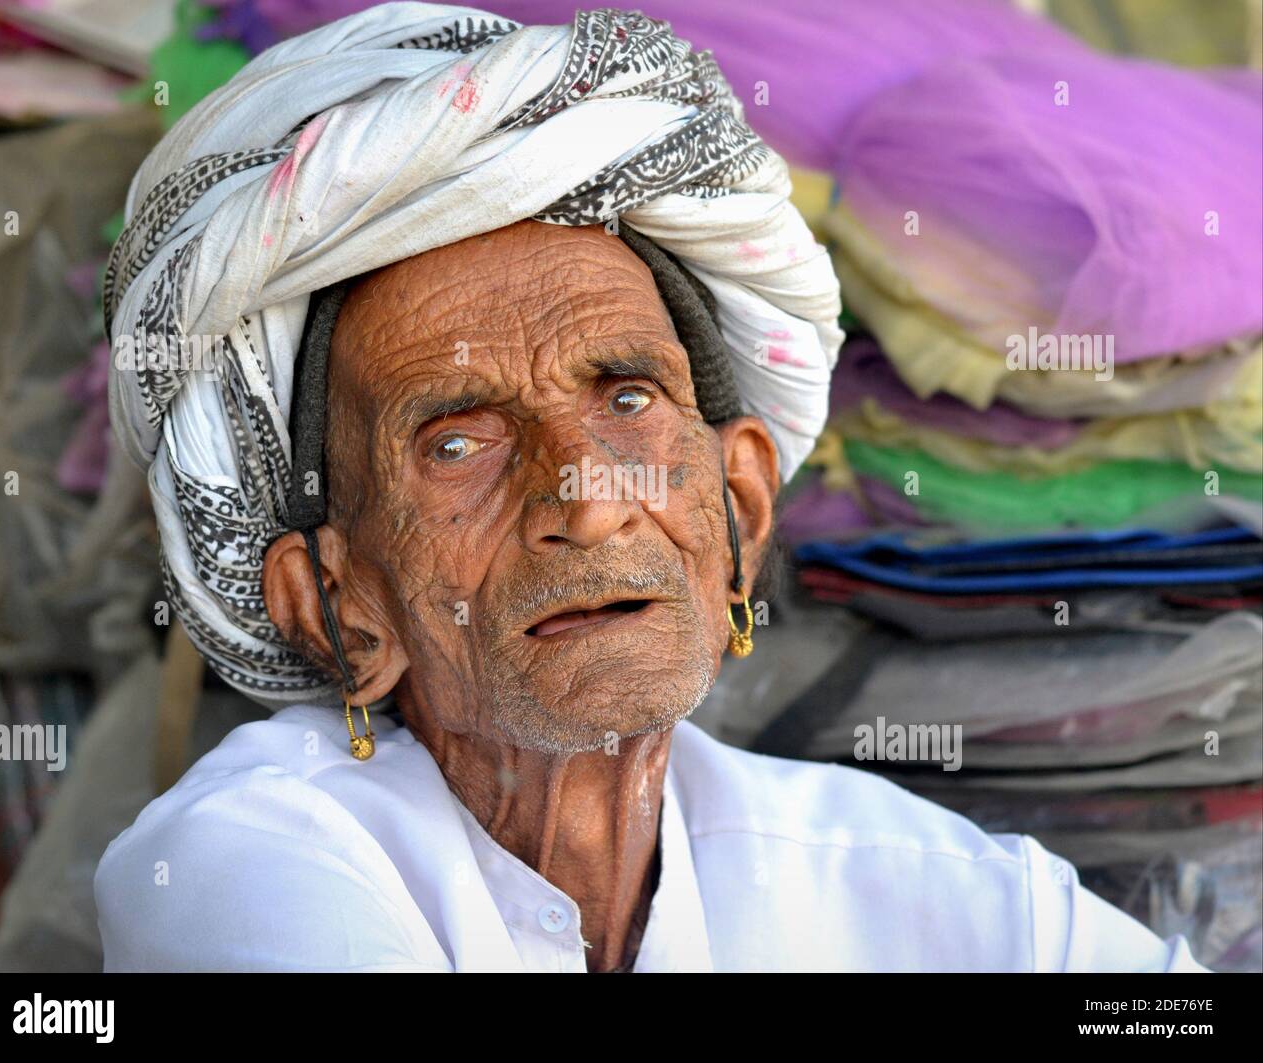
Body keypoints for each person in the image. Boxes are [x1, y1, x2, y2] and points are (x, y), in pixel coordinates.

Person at [94, 3, 1205, 972]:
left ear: (739, 512)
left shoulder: (913, 882)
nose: (583, 499)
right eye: (456, 443)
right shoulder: (247, 859)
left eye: (626, 402)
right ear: (336, 608)